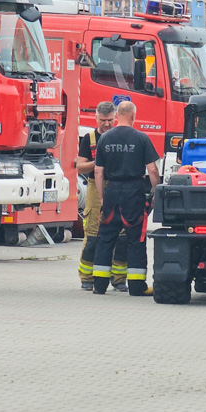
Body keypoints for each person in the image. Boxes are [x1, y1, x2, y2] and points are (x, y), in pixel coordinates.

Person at [92, 101, 160, 296]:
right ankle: (137, 286)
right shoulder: (141, 138)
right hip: (133, 193)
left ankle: (99, 285)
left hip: (112, 191)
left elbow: (98, 172)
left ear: (117, 115)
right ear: (133, 116)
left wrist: (102, 197)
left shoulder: (105, 138)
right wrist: (155, 193)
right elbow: (153, 170)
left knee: (105, 238)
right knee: (135, 239)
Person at [75, 101, 128, 291]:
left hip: (118, 185)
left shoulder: (122, 136)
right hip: (94, 187)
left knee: (121, 235)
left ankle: (119, 278)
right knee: (93, 234)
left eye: (110, 120)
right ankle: (87, 277)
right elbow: (79, 166)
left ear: (116, 117)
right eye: (103, 120)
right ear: (96, 118)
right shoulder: (89, 138)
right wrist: (97, 162)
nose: (107, 124)